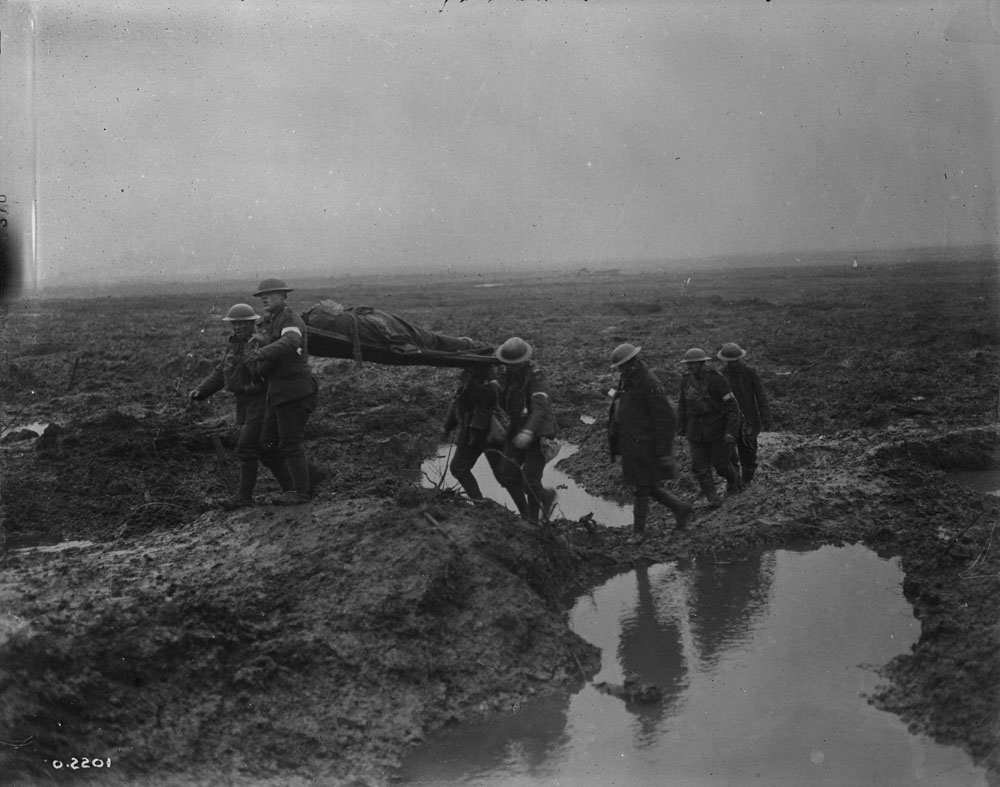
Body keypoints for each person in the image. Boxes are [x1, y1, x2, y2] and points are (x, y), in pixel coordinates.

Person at [188, 303, 296, 509]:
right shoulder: (234, 344)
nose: (238, 328)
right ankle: (293, 488)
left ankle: (244, 497)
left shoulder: (261, 343)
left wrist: (251, 387)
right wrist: (202, 391)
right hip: (246, 405)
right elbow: (222, 372)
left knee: (246, 448)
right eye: (235, 324)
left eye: (243, 324)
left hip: (264, 403)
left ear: (252, 323)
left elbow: (270, 372)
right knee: (265, 450)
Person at [244, 277, 320, 506]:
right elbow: (278, 339)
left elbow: (291, 341)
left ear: (283, 296)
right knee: (266, 443)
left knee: (290, 443)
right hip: (279, 394)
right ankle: (302, 482)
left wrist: (262, 351)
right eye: (261, 296)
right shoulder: (275, 320)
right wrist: (265, 339)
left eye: (269, 294)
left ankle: (301, 492)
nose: (264, 299)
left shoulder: (289, 318)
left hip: (294, 392)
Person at [608, 343, 694, 543]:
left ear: (632, 363)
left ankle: (638, 532)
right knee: (647, 485)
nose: (619, 370)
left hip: (645, 444)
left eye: (622, 366)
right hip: (632, 443)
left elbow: (667, 419)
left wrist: (664, 451)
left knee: (641, 487)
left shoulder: (649, 382)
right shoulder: (627, 379)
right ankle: (681, 508)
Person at [494, 337, 558, 524]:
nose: (511, 367)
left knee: (530, 479)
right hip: (516, 429)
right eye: (508, 364)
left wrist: (528, 432)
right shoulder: (507, 375)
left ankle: (533, 519)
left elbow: (539, 407)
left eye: (514, 364)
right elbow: (503, 400)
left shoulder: (537, 375)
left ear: (524, 360)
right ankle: (539, 500)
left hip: (539, 432)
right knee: (506, 474)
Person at [676, 347, 741, 507]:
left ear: (702, 363)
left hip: (717, 430)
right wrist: (680, 426)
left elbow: (733, 407)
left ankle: (734, 481)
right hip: (695, 432)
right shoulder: (685, 380)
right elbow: (682, 405)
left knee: (721, 465)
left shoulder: (716, 380)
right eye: (688, 364)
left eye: (693, 363)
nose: (690, 366)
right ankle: (713, 499)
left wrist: (731, 431)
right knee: (700, 468)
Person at [441, 364, 504, 502]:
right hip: (472, 432)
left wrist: (469, 382)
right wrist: (447, 427)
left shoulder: (492, 377)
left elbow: (488, 396)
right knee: (458, 468)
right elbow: (459, 402)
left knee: (505, 476)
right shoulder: (468, 379)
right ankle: (479, 502)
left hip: (490, 432)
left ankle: (538, 501)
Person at [717, 342, 772, 486]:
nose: (733, 364)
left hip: (749, 419)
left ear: (740, 359)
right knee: (729, 453)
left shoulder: (749, 372)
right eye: (730, 362)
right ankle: (734, 482)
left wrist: (766, 418)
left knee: (748, 452)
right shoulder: (721, 374)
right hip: (729, 420)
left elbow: (761, 396)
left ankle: (747, 480)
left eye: (735, 361)